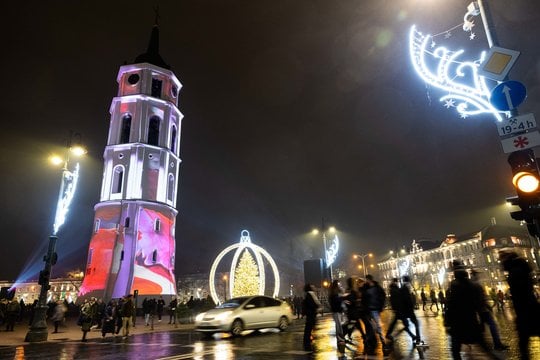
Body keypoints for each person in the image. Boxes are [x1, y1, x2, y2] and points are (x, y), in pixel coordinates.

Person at [444, 260, 499, 360]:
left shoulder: (453, 286)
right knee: (485, 348)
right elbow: (477, 303)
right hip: (471, 321)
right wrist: (482, 320)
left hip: (458, 323)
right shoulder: (472, 285)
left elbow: (450, 305)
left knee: (455, 350)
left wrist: (447, 322)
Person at [500, 250, 540, 360]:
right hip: (528, 307)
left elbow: (519, 292)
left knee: (523, 342)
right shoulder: (520, 268)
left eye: (502, 259)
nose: (501, 263)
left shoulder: (515, 271)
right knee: (524, 341)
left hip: (525, 309)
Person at [470, 270, 508, 351]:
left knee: (483, 327)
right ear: (474, 275)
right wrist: (487, 307)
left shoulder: (472, 284)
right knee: (492, 325)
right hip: (482, 310)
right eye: (477, 275)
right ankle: (496, 344)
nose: (479, 277)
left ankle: (483, 343)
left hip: (479, 310)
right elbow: (480, 298)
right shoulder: (476, 285)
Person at [385, 277, 418, 345]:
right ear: (395, 282)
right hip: (399, 309)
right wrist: (397, 308)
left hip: (399, 309)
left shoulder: (394, 289)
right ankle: (412, 336)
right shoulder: (394, 290)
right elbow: (395, 300)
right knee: (405, 324)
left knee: (397, 323)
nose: (398, 283)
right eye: (397, 281)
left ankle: (412, 336)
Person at [365, 274, 387, 353]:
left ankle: (383, 341)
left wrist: (382, 305)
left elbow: (383, 295)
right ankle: (373, 341)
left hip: (375, 309)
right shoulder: (367, 288)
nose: (366, 281)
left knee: (377, 326)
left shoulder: (377, 287)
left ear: (369, 280)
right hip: (369, 310)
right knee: (373, 326)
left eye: (367, 280)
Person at [302, 283, 322, 352]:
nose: (314, 287)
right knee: (309, 327)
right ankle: (307, 342)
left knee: (309, 327)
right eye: (312, 286)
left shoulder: (307, 294)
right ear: (310, 288)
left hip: (310, 314)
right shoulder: (310, 294)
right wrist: (316, 308)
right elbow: (314, 303)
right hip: (311, 314)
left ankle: (307, 340)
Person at [328, 280, 345, 354]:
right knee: (338, 325)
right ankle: (340, 339)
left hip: (339, 310)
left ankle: (341, 338)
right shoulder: (333, 293)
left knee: (339, 324)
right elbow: (336, 301)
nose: (340, 285)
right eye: (338, 284)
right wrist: (342, 297)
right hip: (336, 311)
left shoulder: (337, 292)